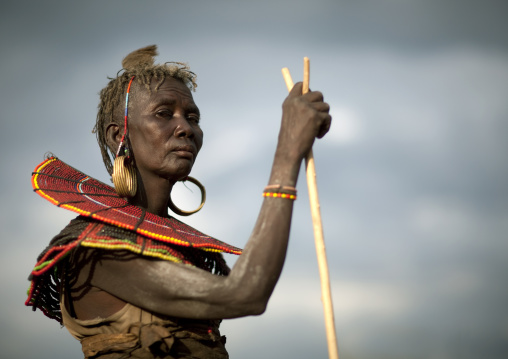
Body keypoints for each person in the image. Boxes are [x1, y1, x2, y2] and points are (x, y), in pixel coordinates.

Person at [26, 45, 331, 358]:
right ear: (119, 135)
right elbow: (245, 294)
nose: (186, 128)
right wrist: (287, 151)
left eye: (192, 117)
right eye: (163, 114)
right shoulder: (96, 247)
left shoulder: (177, 249)